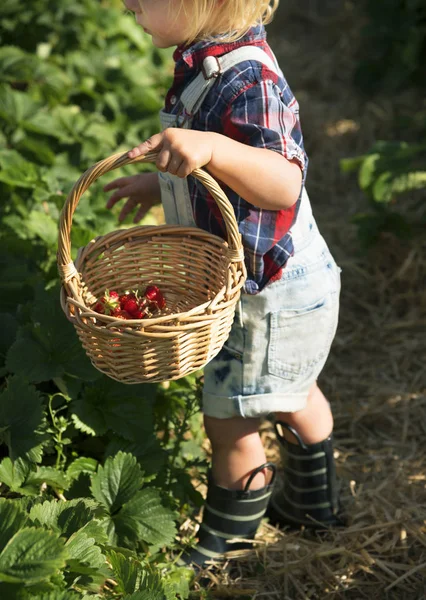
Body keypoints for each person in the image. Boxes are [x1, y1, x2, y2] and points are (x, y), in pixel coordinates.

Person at [105, 0, 343, 570]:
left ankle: (225, 545)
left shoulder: (250, 78)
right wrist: (161, 183)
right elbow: (216, 170)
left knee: (231, 418)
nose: (127, 2)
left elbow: (283, 182)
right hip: (288, 285)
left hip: (266, 296)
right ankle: (316, 511)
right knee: (295, 391)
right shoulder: (205, 58)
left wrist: (214, 148)